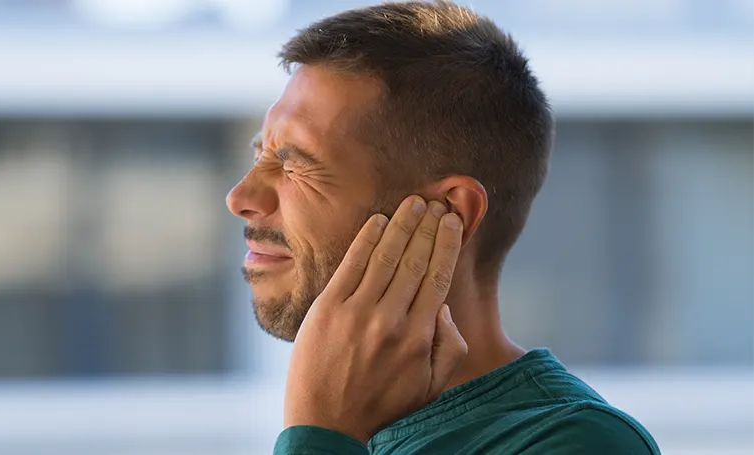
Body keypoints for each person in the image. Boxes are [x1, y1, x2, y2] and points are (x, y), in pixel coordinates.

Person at [226, 1, 661, 454]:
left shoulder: (577, 443)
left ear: (449, 211)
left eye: (296, 165)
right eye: (260, 155)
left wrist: (320, 438)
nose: (240, 198)